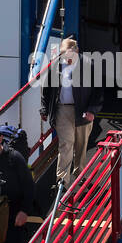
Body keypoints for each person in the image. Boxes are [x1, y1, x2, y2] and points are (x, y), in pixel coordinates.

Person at [40, 36, 103, 192]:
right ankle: (62, 181)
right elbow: (46, 89)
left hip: (83, 111)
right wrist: (44, 110)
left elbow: (98, 91)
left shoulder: (89, 65)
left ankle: (80, 174)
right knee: (66, 145)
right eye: (63, 55)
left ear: (77, 52)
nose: (66, 58)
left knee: (81, 146)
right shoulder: (56, 66)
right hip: (62, 110)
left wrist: (92, 110)